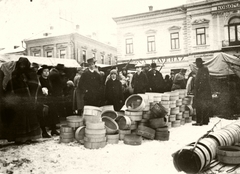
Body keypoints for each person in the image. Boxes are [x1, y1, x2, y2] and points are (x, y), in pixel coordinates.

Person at [1, 57, 42, 144]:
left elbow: (35, 85)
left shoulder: (30, 72)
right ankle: (20, 138)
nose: (22, 66)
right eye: (21, 64)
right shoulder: (15, 73)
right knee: (20, 119)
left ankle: (30, 137)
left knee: (29, 118)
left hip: (28, 99)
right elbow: (11, 86)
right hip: (19, 101)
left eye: (24, 64)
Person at [192, 58, 212, 126]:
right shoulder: (202, 68)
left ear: (200, 63)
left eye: (197, 63)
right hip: (203, 91)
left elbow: (203, 80)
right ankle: (205, 121)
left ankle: (200, 121)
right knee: (204, 106)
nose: (196, 65)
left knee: (200, 106)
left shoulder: (203, 69)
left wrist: (198, 90)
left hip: (202, 91)